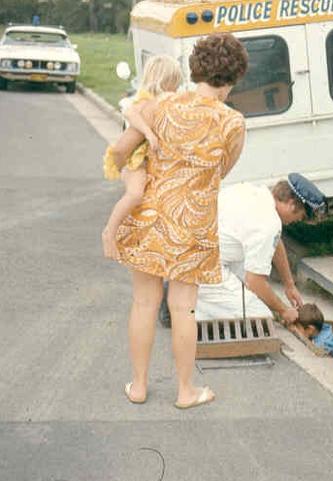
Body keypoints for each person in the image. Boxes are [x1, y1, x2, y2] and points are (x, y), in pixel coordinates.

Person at [107, 33, 248, 409]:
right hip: (195, 224)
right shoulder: (233, 123)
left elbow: (121, 150)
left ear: (195, 68)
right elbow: (223, 170)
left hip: (150, 216)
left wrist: (134, 175)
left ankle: (138, 386)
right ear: (234, 77)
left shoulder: (160, 104)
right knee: (184, 307)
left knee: (143, 303)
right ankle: (186, 391)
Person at [158, 174, 326, 326]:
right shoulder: (268, 223)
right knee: (259, 316)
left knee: (250, 289)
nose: (297, 220)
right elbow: (255, 282)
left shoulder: (254, 191)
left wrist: (289, 285)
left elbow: (275, 242)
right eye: (301, 216)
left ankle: (185, 289)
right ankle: (182, 301)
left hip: (185, 247)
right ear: (291, 204)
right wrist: (283, 310)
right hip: (200, 263)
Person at [101, 55, 182, 261]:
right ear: (164, 81)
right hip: (134, 162)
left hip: (144, 160)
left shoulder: (159, 103)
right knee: (135, 194)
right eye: (174, 83)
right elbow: (130, 114)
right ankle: (109, 232)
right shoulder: (144, 99)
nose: (177, 88)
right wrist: (148, 133)